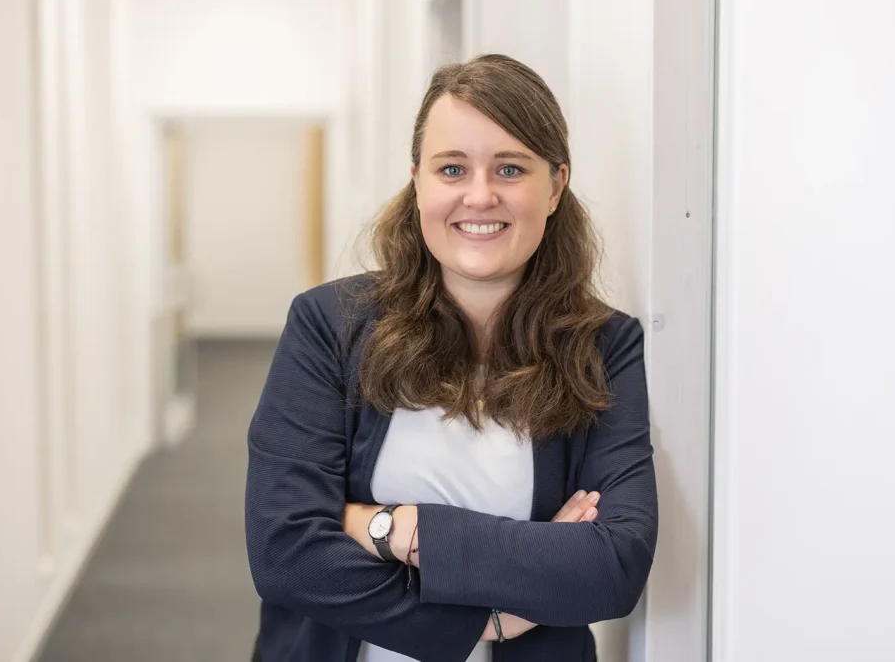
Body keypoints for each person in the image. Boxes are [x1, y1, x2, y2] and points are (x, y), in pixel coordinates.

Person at [245, 53, 658, 662]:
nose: (480, 195)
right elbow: (286, 553)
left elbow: (612, 566)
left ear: (555, 187)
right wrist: (492, 616)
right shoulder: (328, 325)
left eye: (511, 168)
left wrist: (387, 527)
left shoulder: (604, 347)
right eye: (452, 168)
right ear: (417, 181)